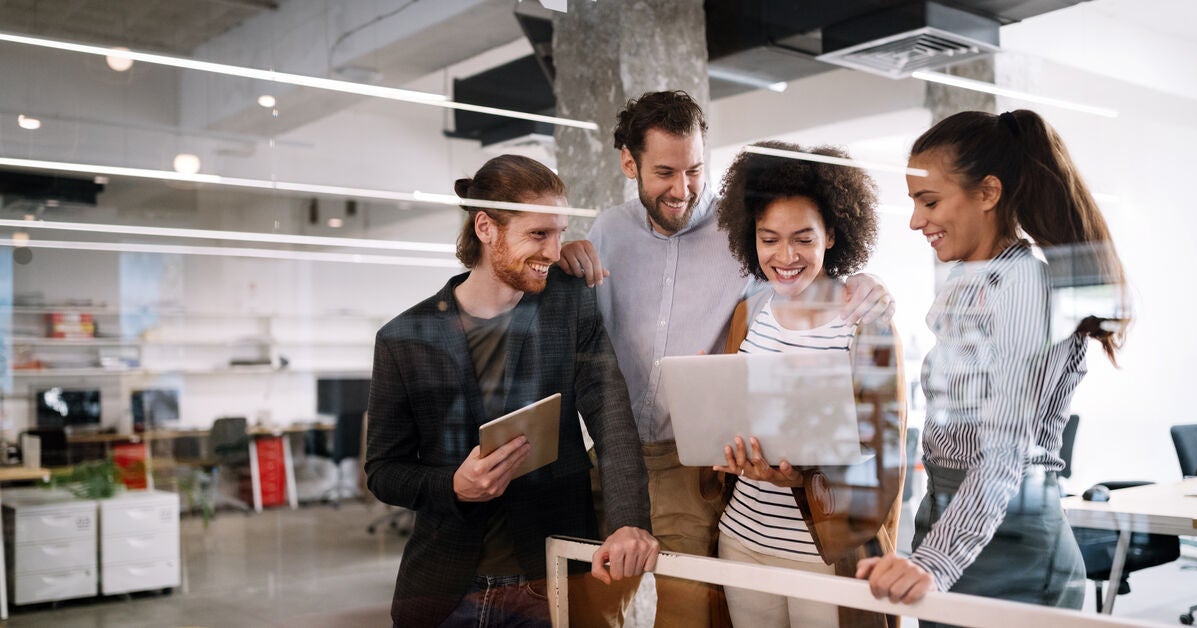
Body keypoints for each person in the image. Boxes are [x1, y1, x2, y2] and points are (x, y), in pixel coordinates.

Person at [555, 90, 895, 627]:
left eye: (694, 170)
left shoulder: (736, 235)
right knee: (592, 615)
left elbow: (801, 285)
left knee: (685, 617)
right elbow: (583, 342)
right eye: (664, 171)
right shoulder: (607, 232)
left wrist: (866, 284)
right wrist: (560, 255)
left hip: (690, 466)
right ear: (629, 163)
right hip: (613, 454)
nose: (683, 188)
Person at [856, 110, 1129, 622]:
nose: (916, 221)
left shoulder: (1025, 287)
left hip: (1010, 548)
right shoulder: (974, 281)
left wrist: (934, 561)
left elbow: (1003, 451)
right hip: (954, 523)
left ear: (987, 193)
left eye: (929, 201)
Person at [365, 154, 658, 628]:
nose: (553, 250)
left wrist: (629, 522)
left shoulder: (568, 305)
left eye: (560, 233)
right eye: (539, 234)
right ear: (486, 228)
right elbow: (383, 471)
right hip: (447, 591)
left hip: (554, 580)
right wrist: (453, 486)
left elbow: (612, 418)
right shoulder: (404, 338)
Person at [711, 141, 906, 628]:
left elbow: (885, 455)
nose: (785, 256)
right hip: (742, 542)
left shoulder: (868, 324)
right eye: (769, 238)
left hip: (824, 556)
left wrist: (804, 476)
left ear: (833, 234)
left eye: (803, 238)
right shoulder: (747, 314)